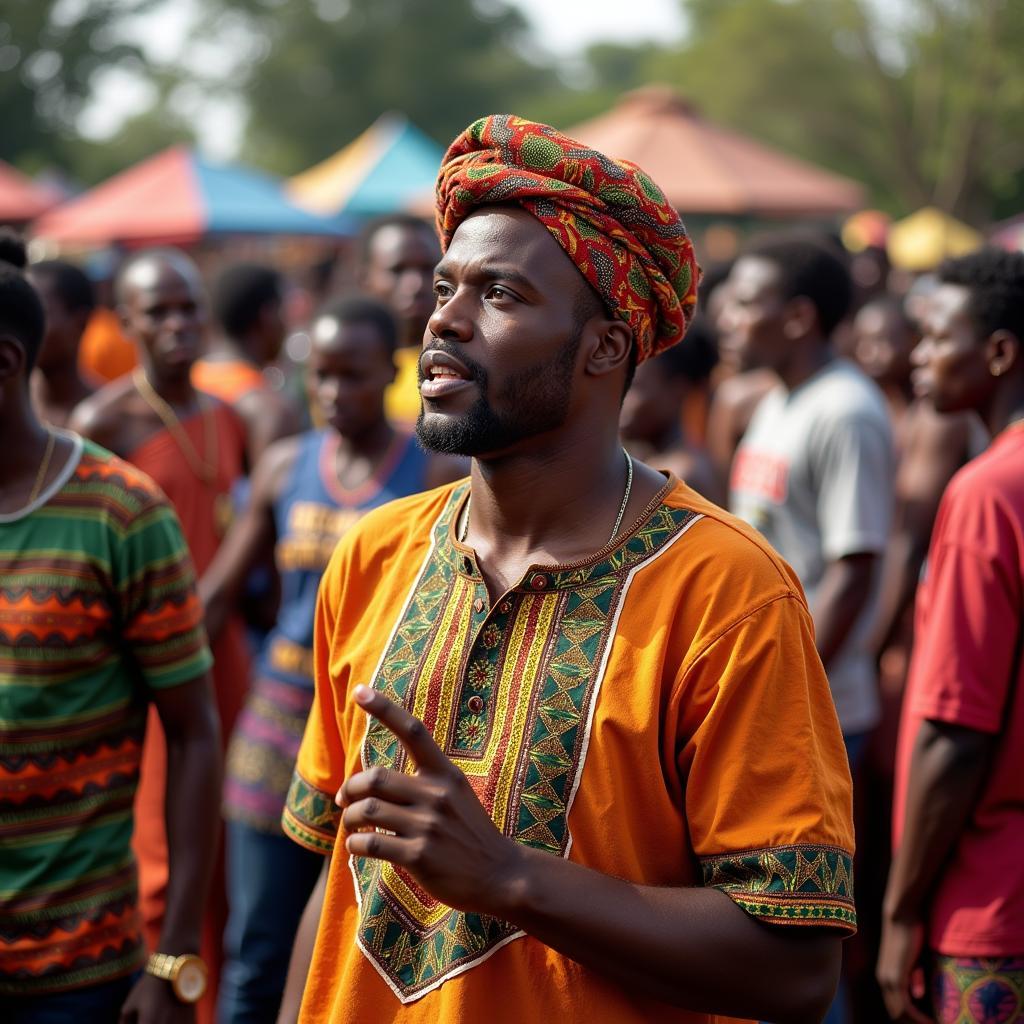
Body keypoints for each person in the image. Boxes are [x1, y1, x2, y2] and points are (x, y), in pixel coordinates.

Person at [278, 115, 855, 1024]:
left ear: (605, 348)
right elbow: (341, 881)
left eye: (500, 294)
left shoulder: (727, 593)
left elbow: (794, 969)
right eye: (444, 286)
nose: (445, 320)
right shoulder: (373, 554)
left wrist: (513, 878)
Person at [201, 295, 462, 1023]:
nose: (332, 393)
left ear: (389, 370)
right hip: (281, 715)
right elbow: (222, 591)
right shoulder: (287, 465)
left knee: (360, 928)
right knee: (256, 937)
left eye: (351, 375)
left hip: (379, 726)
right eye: (320, 375)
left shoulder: (436, 470)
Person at [0, 261, 222, 1021]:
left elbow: (194, 732)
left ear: (7, 365)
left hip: (76, 972)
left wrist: (174, 956)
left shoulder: (121, 513)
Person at [70, 248, 250, 1024]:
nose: (179, 325)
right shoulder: (102, 424)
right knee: (160, 849)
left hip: (230, 658)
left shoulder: (227, 414)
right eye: (159, 312)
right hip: (149, 672)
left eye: (189, 308)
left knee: (228, 846)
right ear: (127, 323)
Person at [879, 249, 1024, 1024]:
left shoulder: (989, 492)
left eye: (936, 338)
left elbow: (955, 732)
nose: (917, 357)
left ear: (999, 353)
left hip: (992, 902)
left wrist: (900, 913)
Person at [847, 293, 986, 1022]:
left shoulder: (948, 438)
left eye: (927, 338)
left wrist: (870, 647)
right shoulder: (901, 414)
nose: (889, 354)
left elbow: (901, 540)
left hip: (913, 652)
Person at [724, 233, 894, 757]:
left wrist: (786, 689)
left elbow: (854, 568)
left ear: (798, 318)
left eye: (747, 303)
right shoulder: (778, 399)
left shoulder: (845, 411)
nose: (728, 317)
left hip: (815, 713)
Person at [193, 262, 300, 465]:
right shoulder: (269, 411)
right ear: (267, 316)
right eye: (283, 311)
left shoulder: (190, 380)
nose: (287, 325)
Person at [620, 315, 721, 502]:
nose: (620, 399)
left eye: (634, 387)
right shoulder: (649, 460)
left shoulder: (680, 476)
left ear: (677, 391)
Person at [357, 214, 441, 426]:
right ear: (365, 279)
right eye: (398, 270)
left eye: (427, 269)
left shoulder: (461, 363)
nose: (416, 284)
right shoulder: (344, 362)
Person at [27, 259, 96, 427]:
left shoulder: (110, 418)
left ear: (80, 323)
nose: (22, 326)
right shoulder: (9, 407)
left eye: (36, 314)